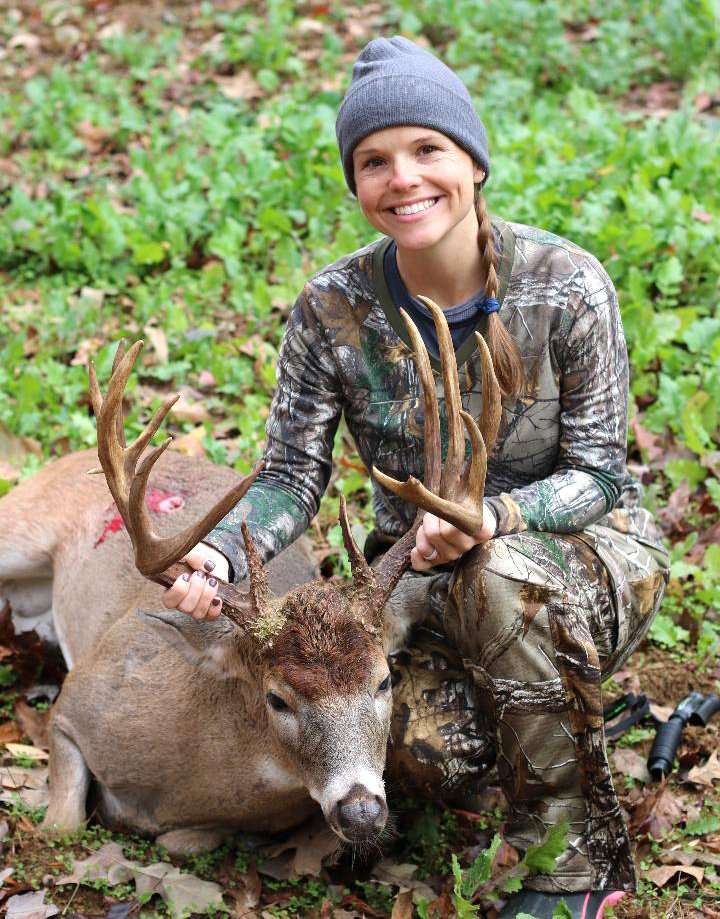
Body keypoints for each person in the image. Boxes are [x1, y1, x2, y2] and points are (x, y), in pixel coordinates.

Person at [161, 37, 669, 917]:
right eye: (374, 161)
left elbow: (597, 474)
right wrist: (215, 558)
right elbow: (289, 475)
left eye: (427, 150)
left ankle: (578, 863)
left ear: (471, 160)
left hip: (585, 558)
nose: (403, 178)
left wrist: (495, 518)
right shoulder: (332, 307)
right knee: (424, 754)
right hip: (417, 573)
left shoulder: (567, 286)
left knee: (498, 577)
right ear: (356, 183)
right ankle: (546, 717)